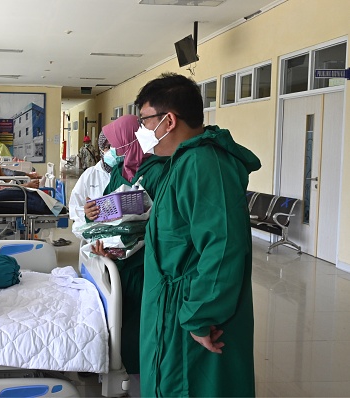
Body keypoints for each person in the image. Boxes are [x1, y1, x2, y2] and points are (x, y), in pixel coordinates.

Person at [134, 73, 260, 397]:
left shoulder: (204, 165)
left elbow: (224, 246)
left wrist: (200, 316)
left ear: (169, 120)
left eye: (145, 120)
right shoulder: (181, 163)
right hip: (171, 313)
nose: (142, 131)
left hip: (193, 320)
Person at [84, 115, 168, 396]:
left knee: (138, 330)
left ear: (128, 140)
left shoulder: (158, 171)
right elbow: (103, 211)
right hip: (116, 262)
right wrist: (92, 217)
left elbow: (164, 221)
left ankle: (143, 384)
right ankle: (122, 375)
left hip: (143, 264)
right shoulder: (120, 171)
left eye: (116, 144)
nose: (112, 150)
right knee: (118, 323)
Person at [68, 132, 112, 239]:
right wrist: (87, 213)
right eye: (107, 147)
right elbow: (74, 207)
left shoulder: (131, 173)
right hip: (96, 238)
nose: (112, 151)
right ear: (102, 148)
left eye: (115, 146)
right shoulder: (90, 175)